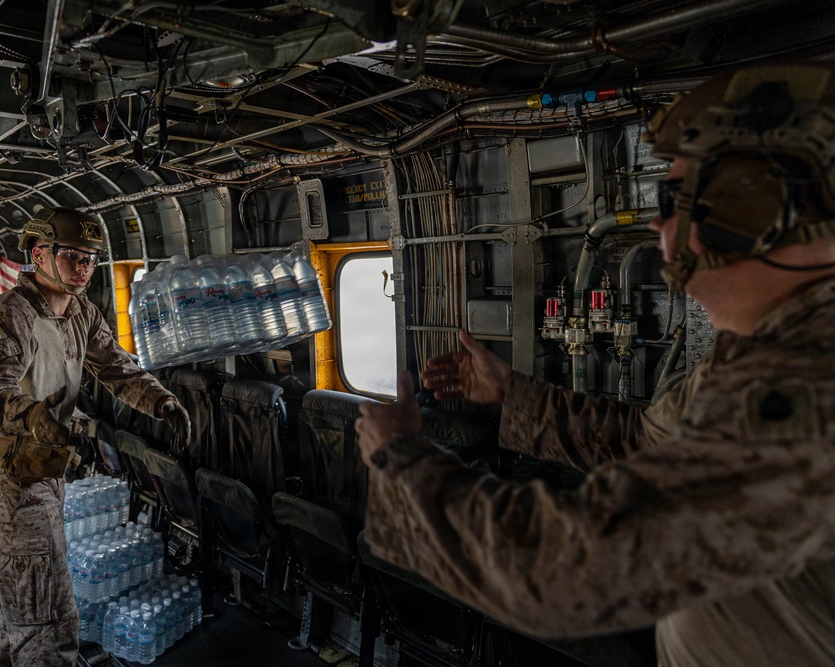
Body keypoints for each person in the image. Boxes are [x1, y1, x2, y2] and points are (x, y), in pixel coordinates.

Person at [355, 62, 835, 666]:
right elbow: (645, 440)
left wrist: (397, 459)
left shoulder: (806, 391)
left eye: (677, 198)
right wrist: (515, 395)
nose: (659, 223)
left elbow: (564, 569)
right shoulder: (765, 354)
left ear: (757, 209)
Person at [0, 207, 191, 667]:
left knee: (29, 599)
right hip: (9, 476)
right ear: (39, 254)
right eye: (71, 255)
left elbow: (116, 366)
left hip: (43, 470)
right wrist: (34, 417)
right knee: (46, 615)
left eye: (90, 258)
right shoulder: (10, 314)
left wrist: (161, 401)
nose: (83, 266)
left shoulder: (81, 311)